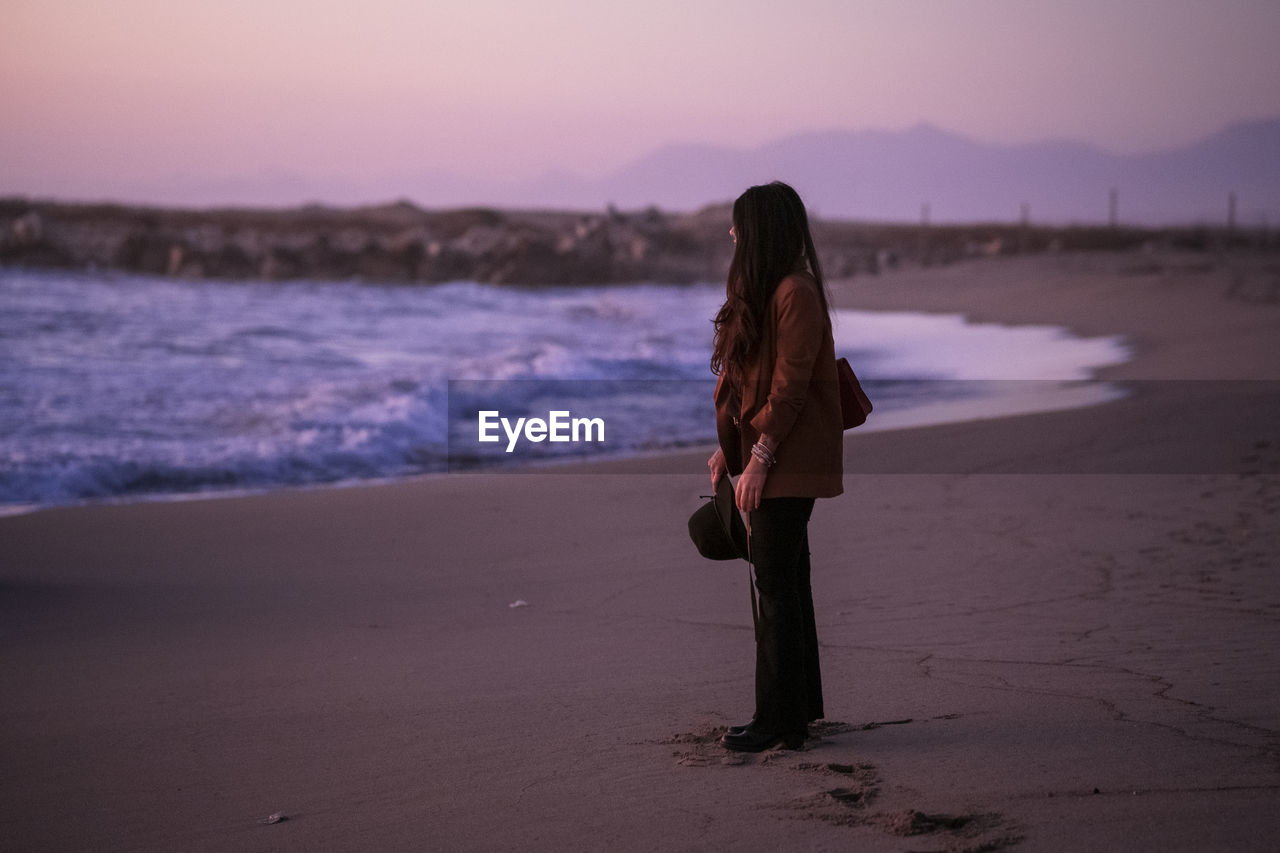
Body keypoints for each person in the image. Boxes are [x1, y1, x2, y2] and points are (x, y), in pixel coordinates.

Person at [707, 181, 843, 752]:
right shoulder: (773, 290)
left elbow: (788, 390)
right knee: (788, 581)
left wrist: (759, 460)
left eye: (740, 224)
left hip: (789, 457)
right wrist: (729, 452)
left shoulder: (795, 292)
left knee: (775, 585)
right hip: (776, 453)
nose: (732, 233)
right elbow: (750, 383)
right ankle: (798, 710)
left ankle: (776, 721)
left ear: (760, 229)